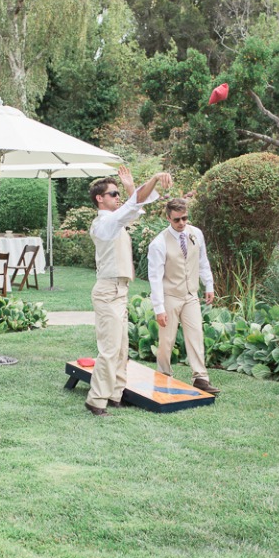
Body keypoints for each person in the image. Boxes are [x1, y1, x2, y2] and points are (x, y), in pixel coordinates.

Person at [85, 166, 171, 417]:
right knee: (110, 349)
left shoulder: (117, 221)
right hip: (108, 290)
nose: (117, 196)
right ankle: (96, 400)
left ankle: (115, 395)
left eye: (117, 193)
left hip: (120, 290)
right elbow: (130, 208)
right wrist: (153, 177)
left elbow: (133, 210)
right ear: (100, 199)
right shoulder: (104, 223)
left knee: (122, 349)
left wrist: (131, 187)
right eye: (113, 193)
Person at [147, 198, 221, 394]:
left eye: (184, 218)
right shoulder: (159, 243)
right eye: (177, 220)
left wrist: (209, 285)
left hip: (190, 295)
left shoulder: (196, 234)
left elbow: (203, 260)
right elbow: (154, 277)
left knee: (196, 334)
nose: (181, 223)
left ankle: (200, 378)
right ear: (168, 218)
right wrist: (159, 308)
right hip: (170, 295)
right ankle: (163, 375)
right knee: (167, 340)